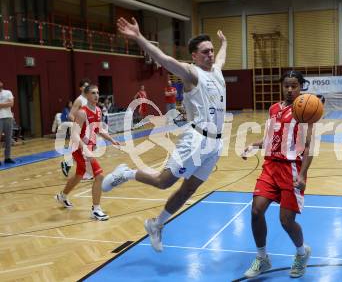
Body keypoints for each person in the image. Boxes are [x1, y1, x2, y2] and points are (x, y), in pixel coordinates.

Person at [102, 17, 227, 252]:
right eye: (204, 52)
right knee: (163, 182)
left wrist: (224, 43)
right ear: (194, 56)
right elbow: (163, 59)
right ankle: (126, 173)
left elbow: (221, 57)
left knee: (189, 189)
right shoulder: (192, 74)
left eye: (211, 51)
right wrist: (139, 37)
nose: (210, 55)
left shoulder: (218, 71)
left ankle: (156, 224)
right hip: (197, 140)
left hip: (216, 144)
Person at [241, 70, 313, 278]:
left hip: (292, 170)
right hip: (270, 166)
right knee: (256, 211)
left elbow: (308, 148)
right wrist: (253, 145)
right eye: (286, 86)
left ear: (301, 87)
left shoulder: (305, 112)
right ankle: (262, 258)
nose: (290, 90)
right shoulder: (273, 109)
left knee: (286, 221)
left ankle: (301, 252)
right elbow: (270, 138)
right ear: (282, 87)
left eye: (294, 86)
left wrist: (302, 175)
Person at [55, 84, 120, 220]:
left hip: (87, 148)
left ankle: (62, 196)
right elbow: (74, 134)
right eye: (93, 93)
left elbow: (99, 130)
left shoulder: (98, 110)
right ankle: (96, 209)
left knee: (79, 175)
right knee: (99, 176)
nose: (96, 95)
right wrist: (85, 149)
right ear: (87, 95)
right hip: (78, 148)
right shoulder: (82, 112)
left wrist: (112, 139)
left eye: (97, 93)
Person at [60, 79, 92, 178]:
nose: (87, 88)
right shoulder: (79, 100)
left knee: (81, 150)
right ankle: (86, 173)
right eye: (85, 86)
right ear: (81, 88)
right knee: (84, 150)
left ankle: (67, 164)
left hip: (88, 129)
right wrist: (79, 125)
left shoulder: (89, 99)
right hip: (80, 129)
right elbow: (70, 115)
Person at [0, 80, 15, 165]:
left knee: (8, 139)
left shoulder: (8, 92)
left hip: (8, 117)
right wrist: (6, 103)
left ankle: (7, 158)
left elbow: (11, 104)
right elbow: (8, 103)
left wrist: (1, 105)